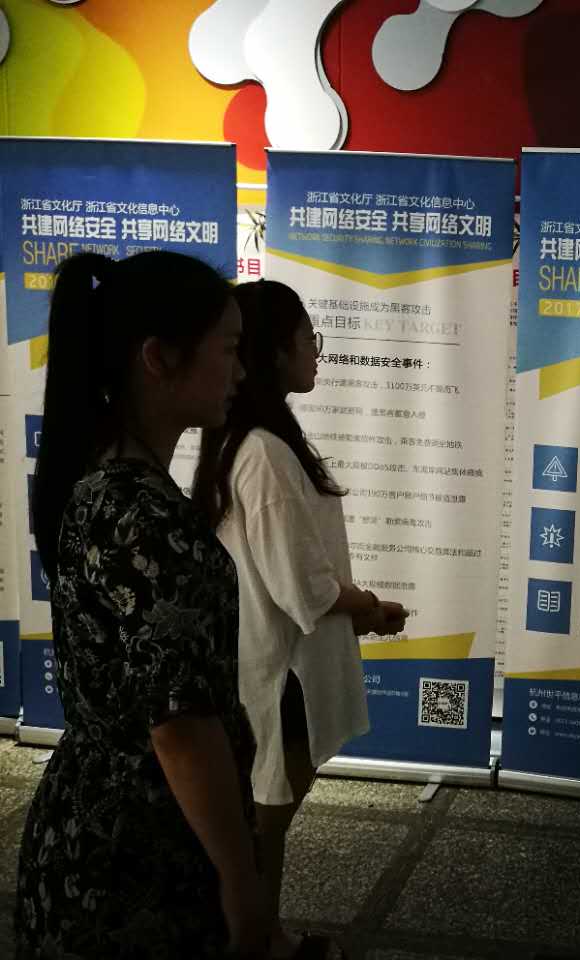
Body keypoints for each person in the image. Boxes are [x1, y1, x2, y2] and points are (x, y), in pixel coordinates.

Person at [15, 251, 267, 958]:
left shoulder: (104, 481)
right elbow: (179, 727)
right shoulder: (142, 517)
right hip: (136, 863)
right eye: (228, 349)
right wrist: (242, 879)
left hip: (92, 830)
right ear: (158, 358)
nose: (241, 372)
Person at [193, 279, 405, 960]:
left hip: (276, 660)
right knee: (265, 821)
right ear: (275, 351)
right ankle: (261, 943)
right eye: (306, 337)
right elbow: (303, 587)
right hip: (281, 672)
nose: (316, 351)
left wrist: (360, 611)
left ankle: (265, 937)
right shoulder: (263, 451)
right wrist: (366, 606)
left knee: (264, 819)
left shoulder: (254, 443)